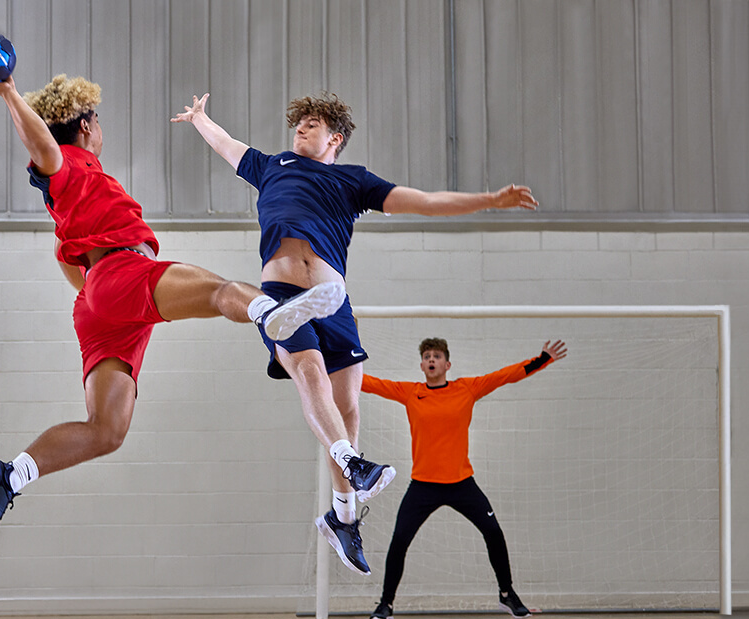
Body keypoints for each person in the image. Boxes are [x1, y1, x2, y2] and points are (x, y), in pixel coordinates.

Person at [0, 71, 347, 546]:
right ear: (85, 124)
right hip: (119, 277)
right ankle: (273, 315)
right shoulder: (69, 162)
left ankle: (10, 476)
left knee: (106, 430)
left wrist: (96, 290)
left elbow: (67, 260)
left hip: (98, 301)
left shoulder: (75, 194)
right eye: (97, 119)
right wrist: (7, 93)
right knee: (221, 290)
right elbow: (43, 147)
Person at [173, 92, 540, 575]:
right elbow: (225, 144)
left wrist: (489, 200)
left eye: (311, 124)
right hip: (283, 294)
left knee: (348, 408)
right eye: (297, 124)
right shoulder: (270, 165)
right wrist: (201, 118)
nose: (300, 129)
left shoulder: (354, 180)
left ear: (335, 138)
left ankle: (344, 516)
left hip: (333, 301)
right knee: (309, 375)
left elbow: (425, 203)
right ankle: (353, 461)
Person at [359, 338, 568, 619]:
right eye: (427, 356)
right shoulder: (411, 393)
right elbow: (368, 383)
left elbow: (503, 376)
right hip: (423, 486)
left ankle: (507, 595)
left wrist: (543, 359)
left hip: (461, 484)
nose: (432, 360)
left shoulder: (466, 388)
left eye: (437, 356)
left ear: (447, 364)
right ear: (421, 365)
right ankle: (386, 605)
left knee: (493, 532)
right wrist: (331, 366)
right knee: (399, 541)